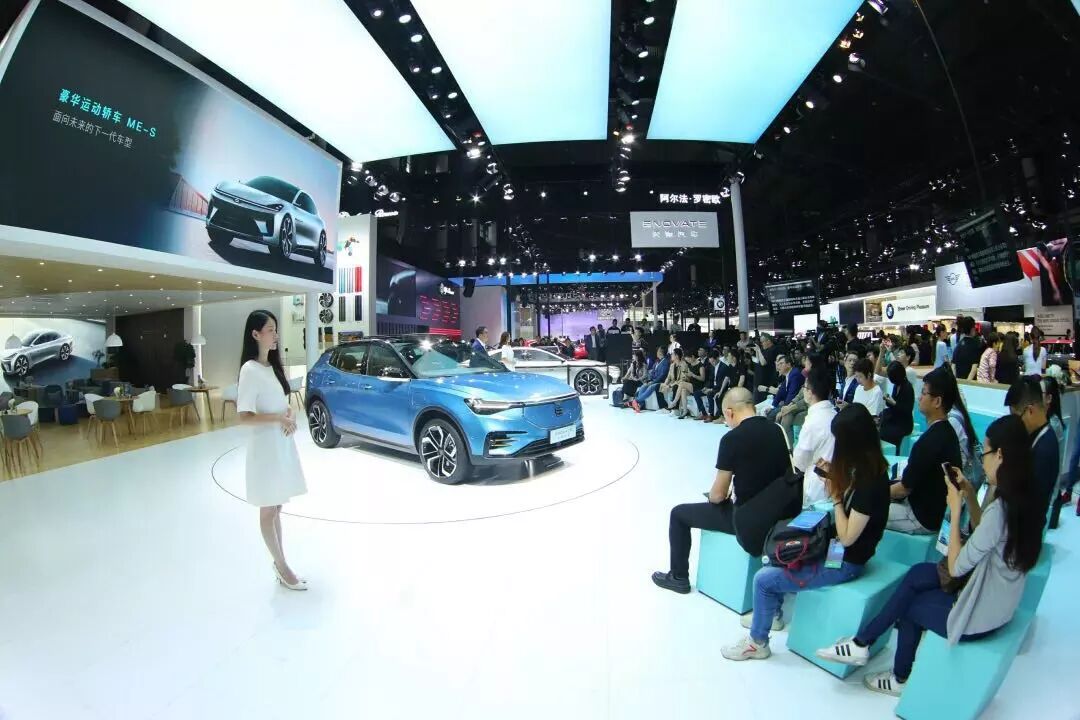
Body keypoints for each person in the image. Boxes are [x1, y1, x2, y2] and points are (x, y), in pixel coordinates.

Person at [817, 415, 1044, 697]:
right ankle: (861, 644)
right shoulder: (1023, 497)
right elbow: (983, 529)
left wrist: (956, 509)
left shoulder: (1001, 510)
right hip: (997, 599)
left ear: (1000, 455)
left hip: (981, 612)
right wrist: (968, 494)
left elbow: (957, 566)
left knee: (911, 608)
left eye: (984, 453)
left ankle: (899, 676)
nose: (982, 461)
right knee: (917, 574)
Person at [723, 403, 890, 661]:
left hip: (845, 560)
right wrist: (834, 478)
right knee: (778, 550)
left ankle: (758, 643)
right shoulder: (865, 469)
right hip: (835, 545)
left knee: (763, 580)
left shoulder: (870, 483)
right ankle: (771, 612)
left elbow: (848, 538)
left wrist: (836, 496)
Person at [651, 388, 790, 594]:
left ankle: (678, 577)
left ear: (729, 412)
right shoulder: (777, 430)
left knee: (678, 514)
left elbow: (717, 495)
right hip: (778, 516)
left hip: (746, 521)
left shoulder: (732, 439)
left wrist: (718, 496)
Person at [236, 310, 308, 591]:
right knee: (268, 508)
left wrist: (288, 414)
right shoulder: (249, 369)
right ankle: (281, 566)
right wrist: (279, 419)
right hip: (265, 448)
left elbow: (280, 402)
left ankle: (282, 562)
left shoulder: (271, 367)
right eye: (270, 330)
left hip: (280, 443)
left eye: (275, 329)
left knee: (277, 505)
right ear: (255, 334)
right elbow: (244, 416)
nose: (276, 335)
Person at [887, 367, 962, 533]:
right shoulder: (947, 432)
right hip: (934, 511)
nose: (919, 397)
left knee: (864, 510)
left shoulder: (930, 441)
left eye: (923, 393)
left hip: (921, 517)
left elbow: (903, 489)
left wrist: (876, 493)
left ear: (937, 402)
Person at [1005, 377, 1060, 524]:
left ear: (1030, 411)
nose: (1015, 423)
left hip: (1027, 528)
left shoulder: (1044, 449)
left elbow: (1031, 503)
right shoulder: (1037, 435)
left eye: (1016, 417)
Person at [791, 369, 837, 504]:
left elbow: (800, 462)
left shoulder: (812, 421)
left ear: (810, 392)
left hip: (817, 485)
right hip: (836, 480)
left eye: (804, 387)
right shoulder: (835, 414)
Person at [880, 361, 915, 454]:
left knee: (886, 432)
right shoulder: (897, 385)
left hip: (904, 422)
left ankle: (895, 451)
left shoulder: (908, 388)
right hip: (895, 416)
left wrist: (894, 403)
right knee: (880, 418)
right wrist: (888, 400)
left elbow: (907, 410)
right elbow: (892, 404)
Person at [631, 346, 670, 412]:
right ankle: (640, 405)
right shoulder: (657, 361)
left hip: (661, 382)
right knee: (643, 386)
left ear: (661, 352)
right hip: (653, 380)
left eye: (658, 351)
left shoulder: (665, 362)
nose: (657, 352)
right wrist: (650, 380)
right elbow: (652, 372)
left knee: (651, 387)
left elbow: (662, 375)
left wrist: (653, 382)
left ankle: (636, 400)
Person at [951, 316, 983, 381]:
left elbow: (953, 366)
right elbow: (974, 368)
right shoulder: (975, 345)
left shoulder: (958, 345)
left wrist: (955, 381)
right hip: (969, 383)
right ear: (972, 329)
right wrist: (967, 383)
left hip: (959, 381)